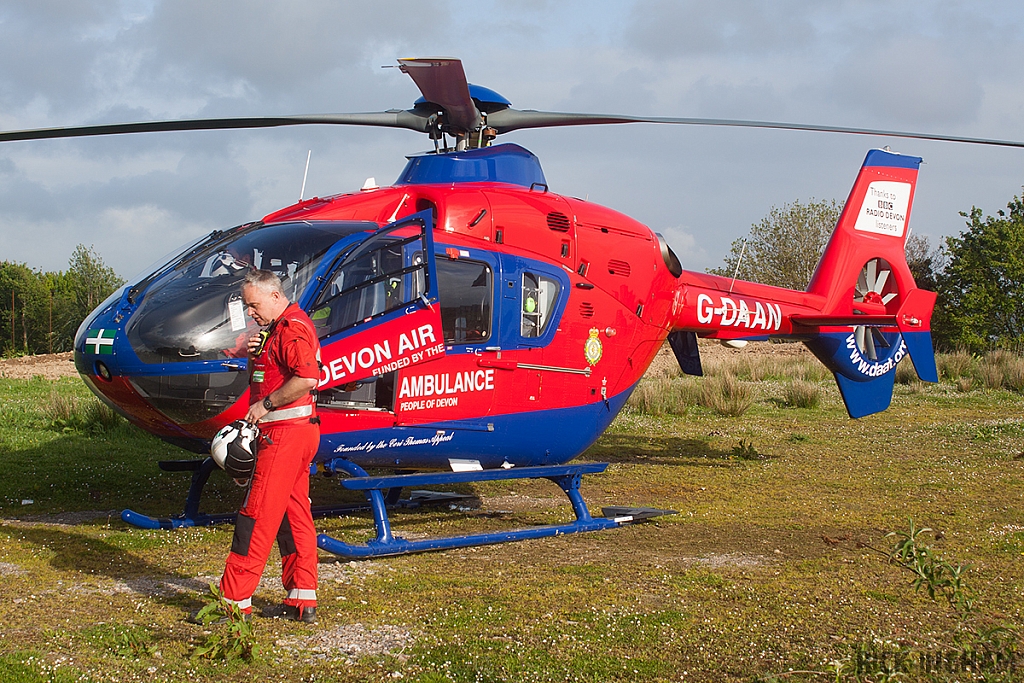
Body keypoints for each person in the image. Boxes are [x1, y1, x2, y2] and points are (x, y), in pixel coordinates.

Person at [216, 268, 322, 623]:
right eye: (247, 307)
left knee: (256, 514)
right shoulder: (281, 327)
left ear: (275, 296)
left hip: (285, 434)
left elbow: (307, 377)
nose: (250, 312)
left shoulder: (290, 329)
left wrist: (266, 405)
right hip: (298, 432)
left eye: (254, 305)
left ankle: (234, 601)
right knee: (295, 516)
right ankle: (302, 598)